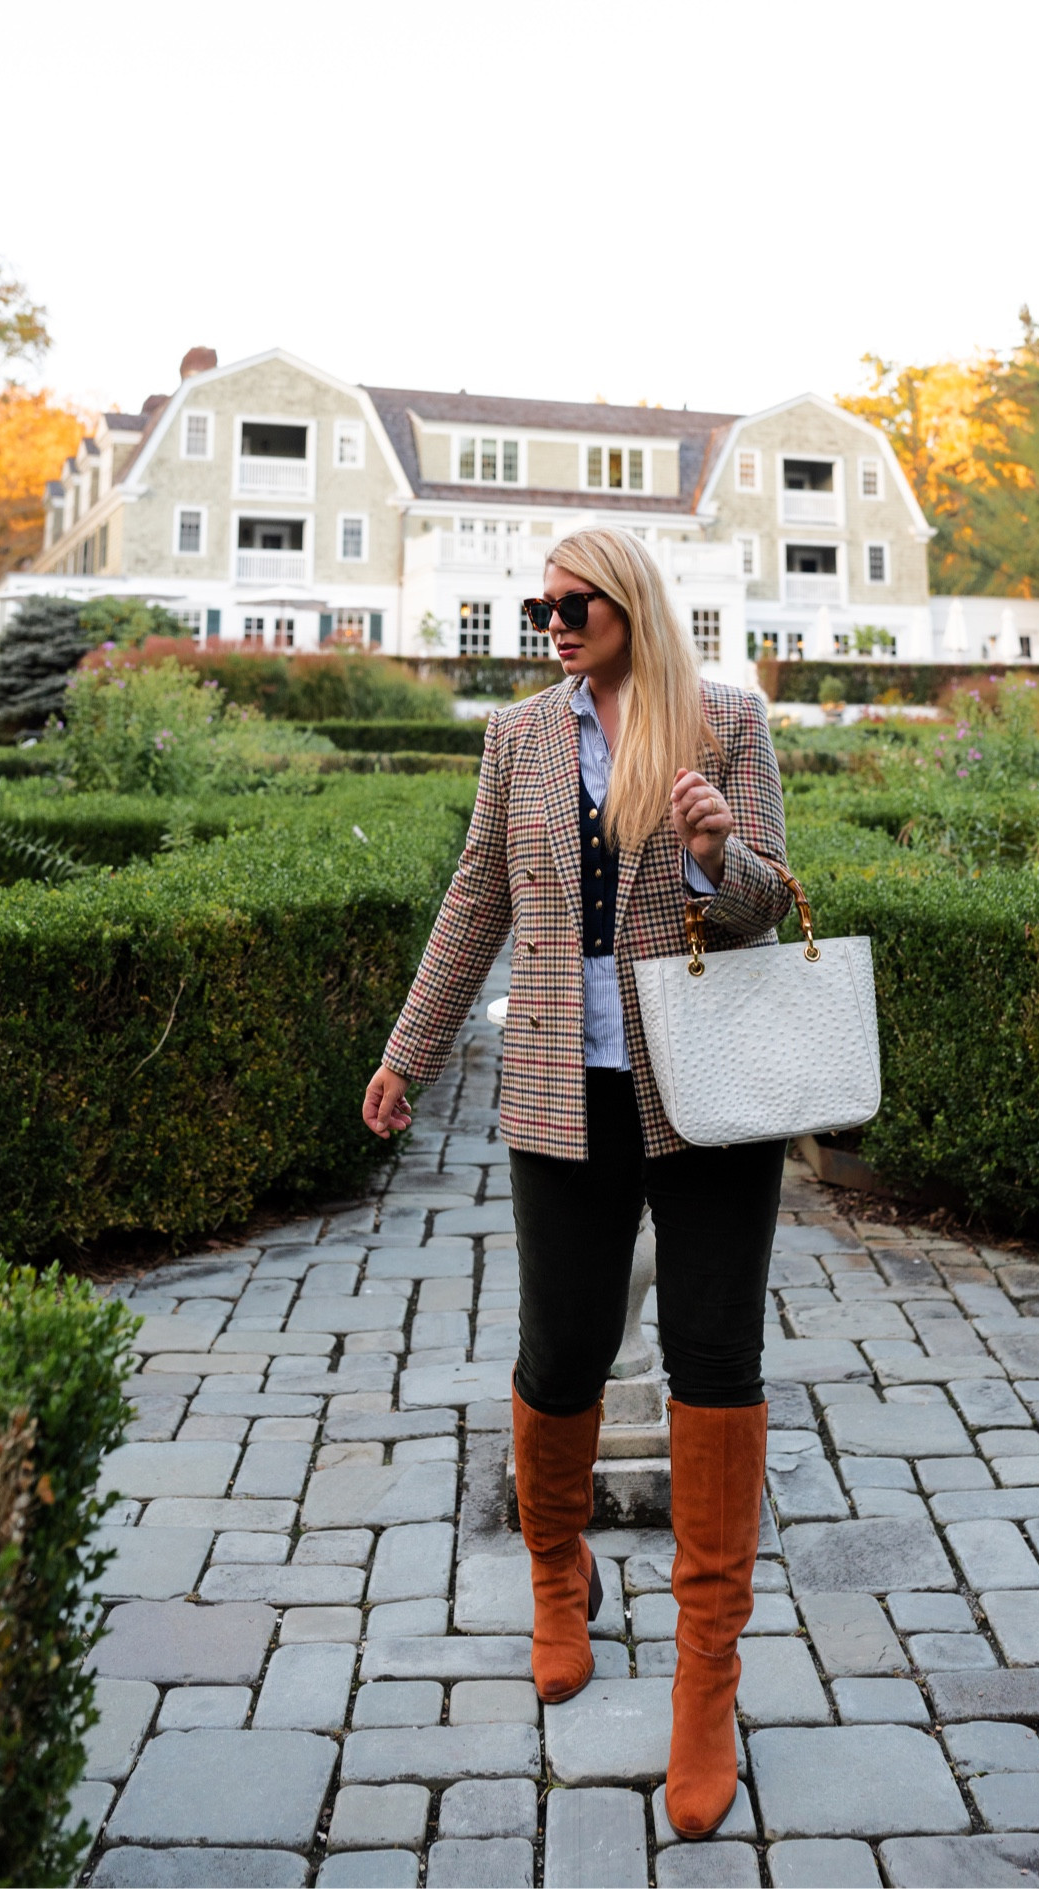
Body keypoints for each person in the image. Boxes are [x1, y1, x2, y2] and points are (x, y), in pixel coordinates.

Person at [363, 526, 792, 1840]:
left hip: (712, 1090)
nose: (552, 620)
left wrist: (720, 857)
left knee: (717, 1362)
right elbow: (473, 903)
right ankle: (561, 1573)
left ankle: (705, 1676)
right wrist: (409, 1052)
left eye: (573, 601)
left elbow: (776, 899)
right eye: (538, 605)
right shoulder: (518, 740)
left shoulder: (723, 720)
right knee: (562, 1357)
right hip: (562, 1091)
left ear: (630, 601)